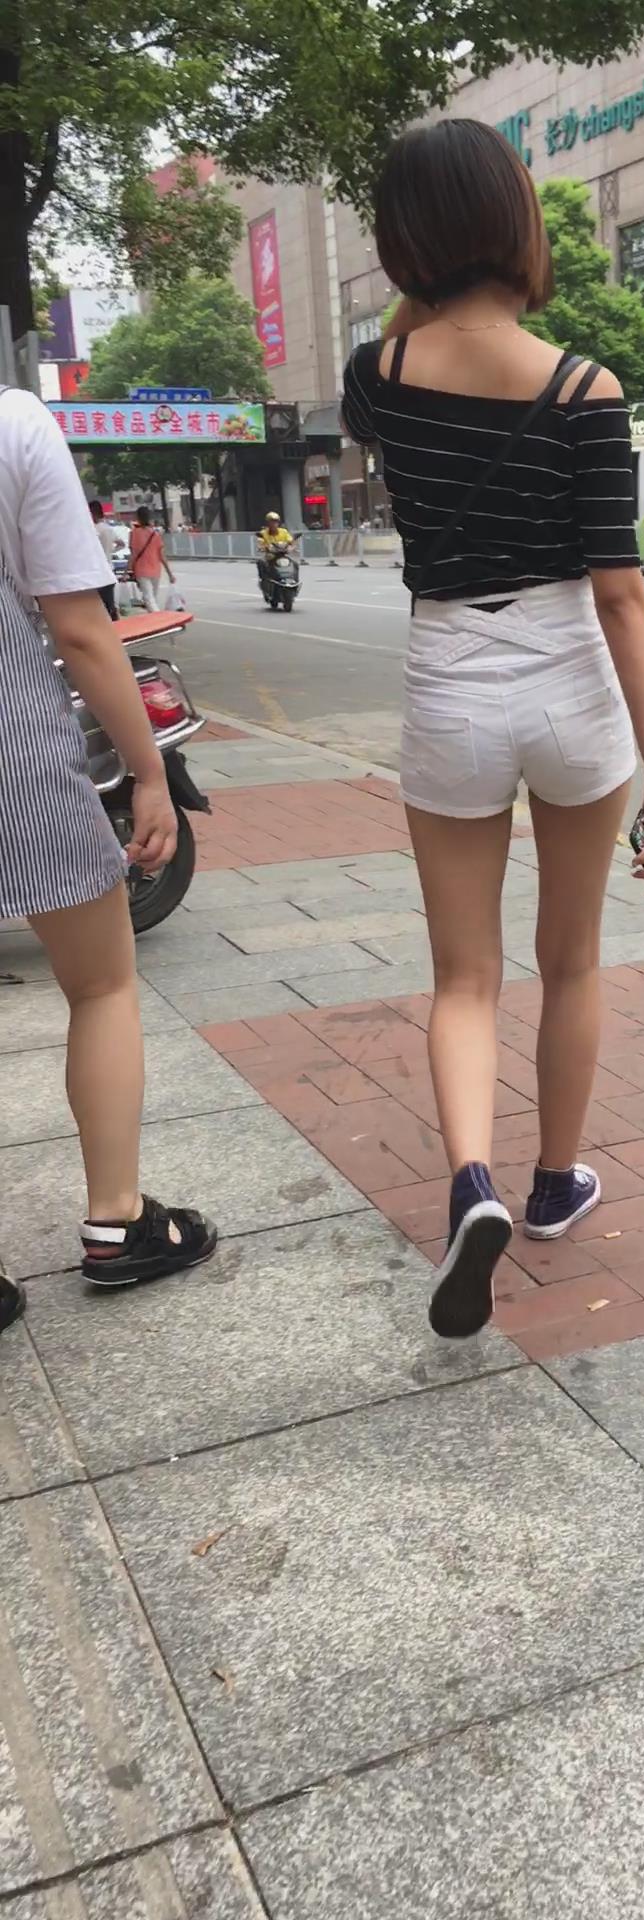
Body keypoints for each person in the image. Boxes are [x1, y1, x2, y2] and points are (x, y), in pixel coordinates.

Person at [341, 119, 644, 1341]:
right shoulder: (587, 389)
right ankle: (552, 1183)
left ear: (405, 240)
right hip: (571, 683)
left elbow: (398, 363)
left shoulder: (376, 375)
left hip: (450, 678)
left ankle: (470, 1184)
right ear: (518, 222)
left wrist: (419, 293)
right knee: (571, 957)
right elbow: (621, 595)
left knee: (463, 974)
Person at [0, 386, 216, 1338]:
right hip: (14, 757)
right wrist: (149, 773)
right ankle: (119, 1224)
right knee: (100, 984)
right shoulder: (15, 425)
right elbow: (81, 628)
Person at [128, 505, 175, 612]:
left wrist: (128, 570)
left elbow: (133, 554)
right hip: (156, 570)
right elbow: (162, 556)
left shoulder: (134, 533)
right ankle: (155, 618)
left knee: (148, 599)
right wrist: (170, 574)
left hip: (142, 570)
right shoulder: (155, 534)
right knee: (152, 598)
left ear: (138, 518)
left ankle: (159, 618)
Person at [88, 500, 119, 620]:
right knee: (109, 602)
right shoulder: (109, 528)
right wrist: (111, 551)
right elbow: (121, 543)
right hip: (109, 569)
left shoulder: (93, 530)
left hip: (97, 570)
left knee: (98, 603)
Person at [256, 510, 296, 592]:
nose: (274, 524)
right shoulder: (263, 533)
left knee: (295, 563)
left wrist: (291, 547)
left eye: (275, 521)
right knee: (261, 562)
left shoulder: (283, 531)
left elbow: (291, 541)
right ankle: (264, 581)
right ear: (268, 523)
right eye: (271, 522)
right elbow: (260, 543)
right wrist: (263, 547)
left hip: (283, 554)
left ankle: (294, 581)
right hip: (270, 555)